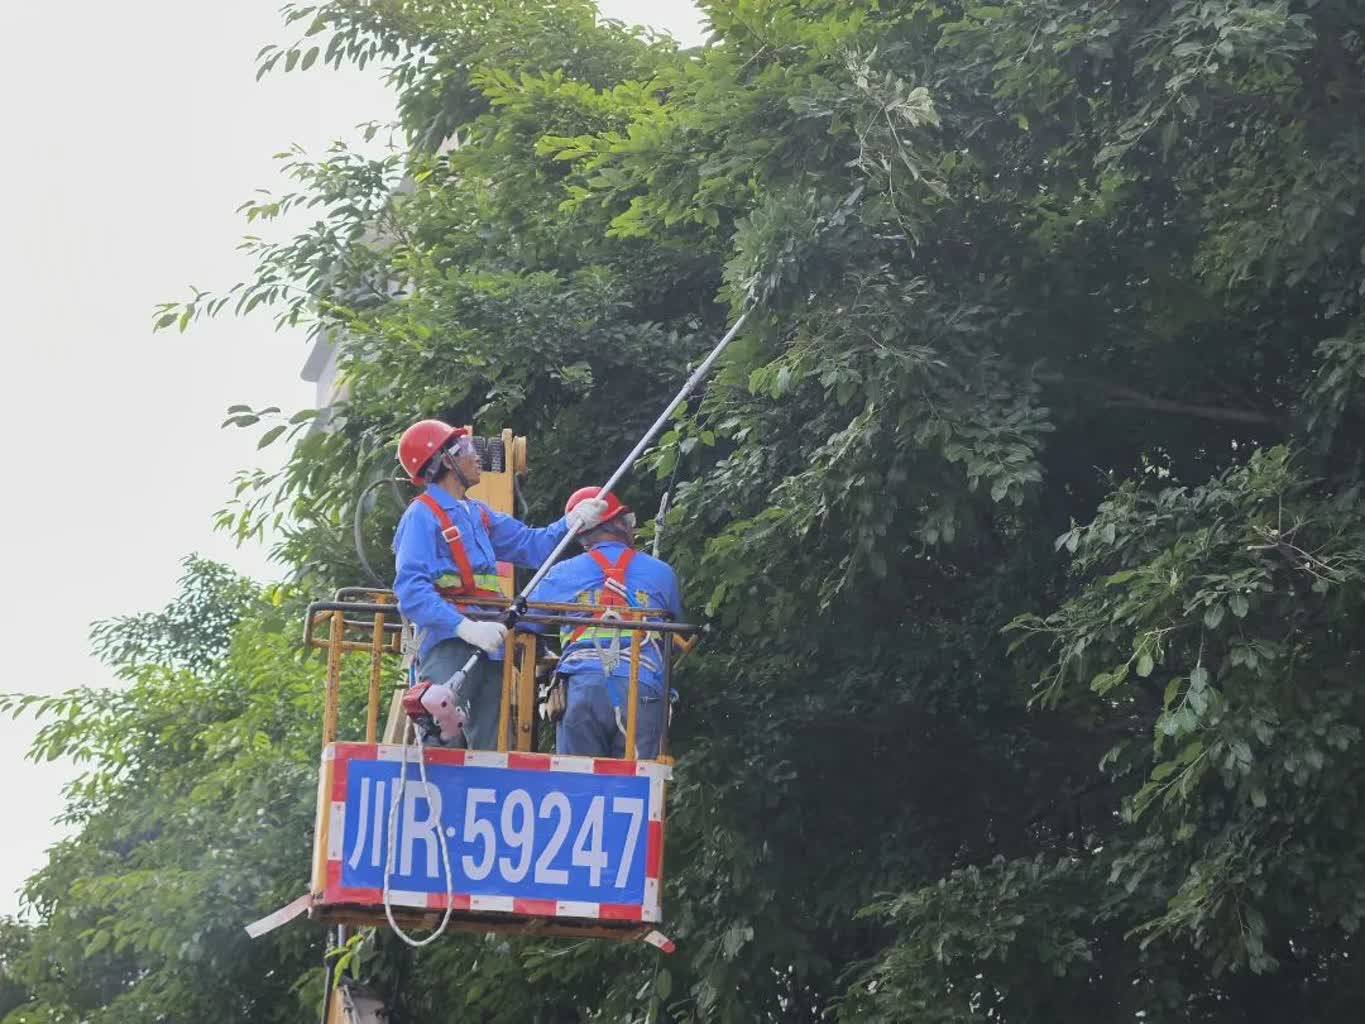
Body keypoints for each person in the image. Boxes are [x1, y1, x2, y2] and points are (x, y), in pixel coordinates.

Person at [392, 420, 607, 749]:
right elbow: (410, 591)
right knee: (441, 739)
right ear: (445, 461)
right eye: (467, 451)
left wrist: (572, 522)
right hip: (449, 644)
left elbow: (532, 546)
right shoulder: (422, 515)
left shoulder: (477, 514)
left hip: (491, 647)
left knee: (491, 748)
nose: (477, 458)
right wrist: (463, 627)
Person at [528, 487, 684, 760]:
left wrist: (544, 661)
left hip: (582, 689)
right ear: (619, 524)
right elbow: (675, 642)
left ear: (580, 535)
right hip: (642, 688)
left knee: (579, 788)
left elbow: (524, 629)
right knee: (636, 790)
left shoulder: (561, 574)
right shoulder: (661, 573)